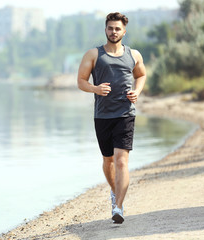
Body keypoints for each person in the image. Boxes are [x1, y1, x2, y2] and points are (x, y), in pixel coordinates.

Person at [77, 12, 146, 224]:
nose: (113, 32)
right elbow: (81, 81)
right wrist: (95, 89)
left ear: (124, 31)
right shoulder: (94, 55)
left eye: (117, 28)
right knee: (108, 160)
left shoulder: (134, 55)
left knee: (121, 161)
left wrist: (138, 91)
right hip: (103, 116)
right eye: (110, 28)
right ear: (105, 30)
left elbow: (141, 75)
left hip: (125, 114)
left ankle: (118, 207)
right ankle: (115, 192)